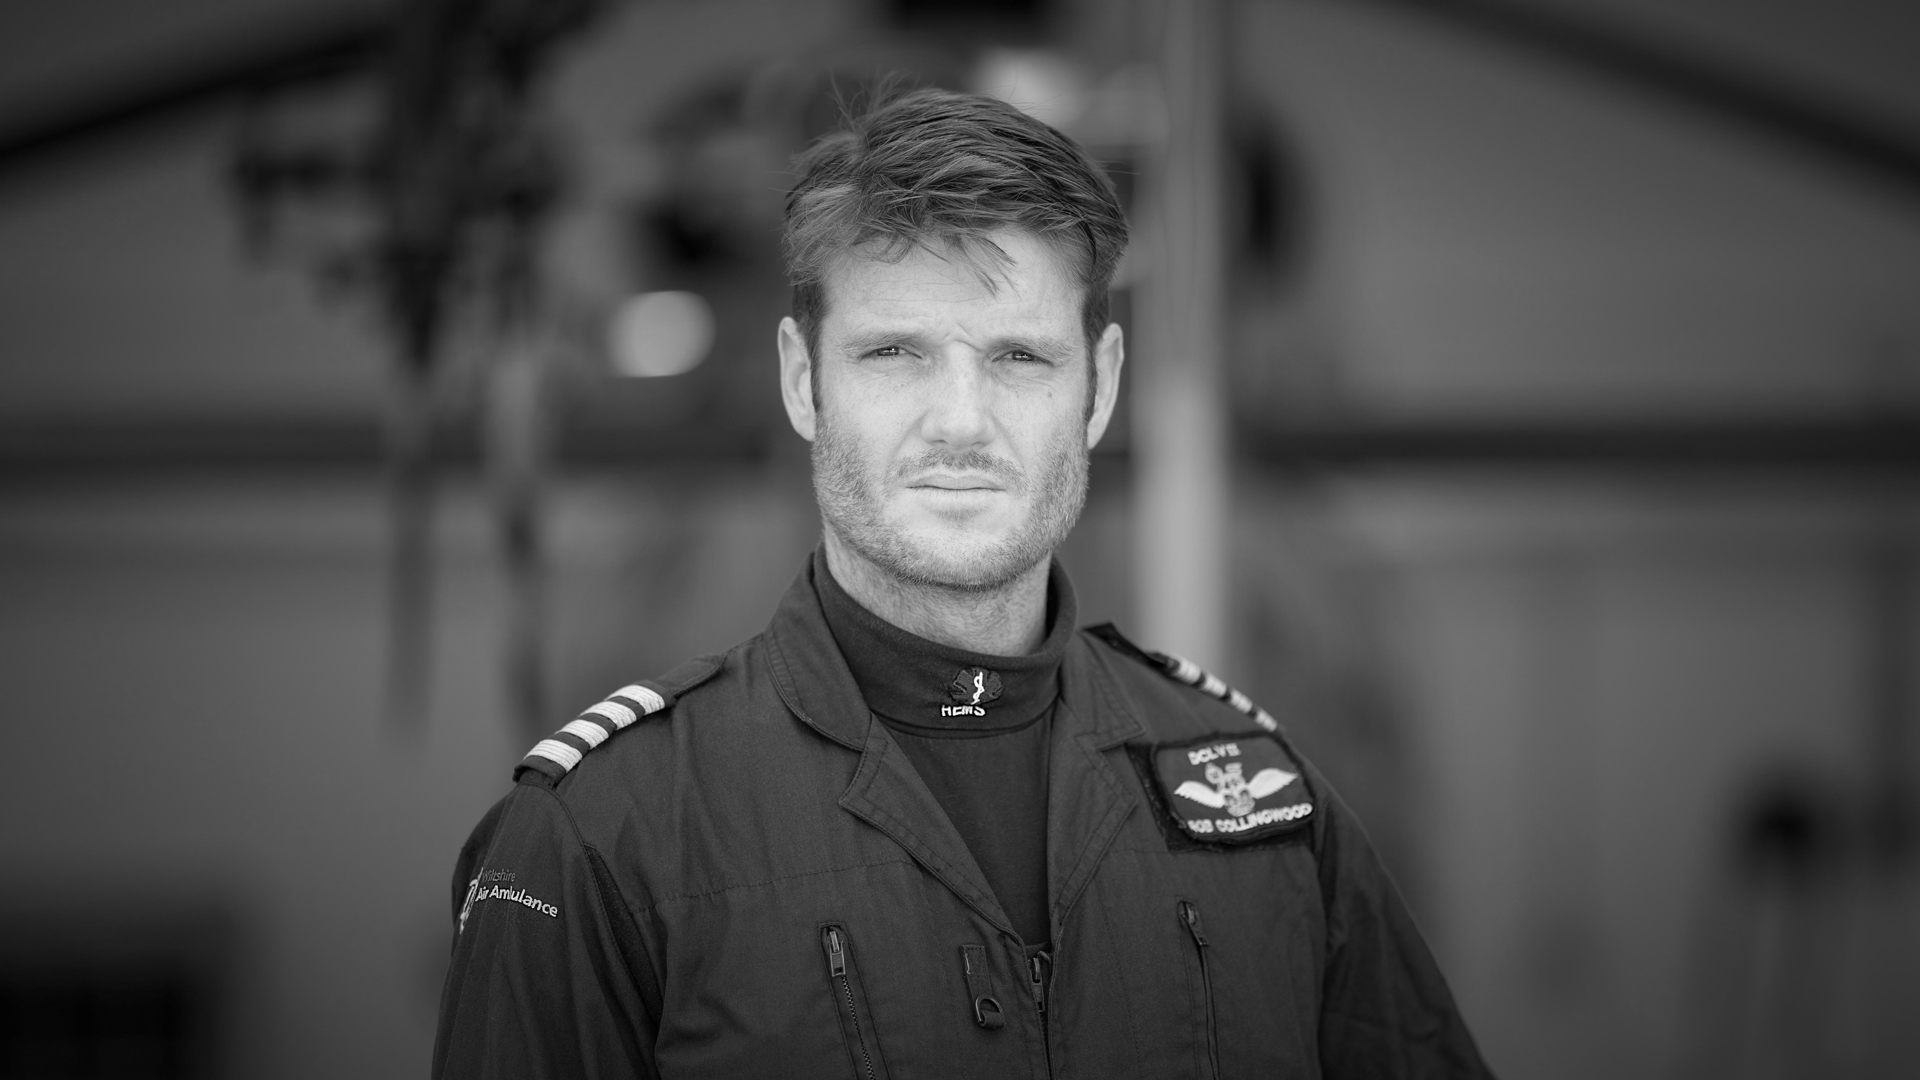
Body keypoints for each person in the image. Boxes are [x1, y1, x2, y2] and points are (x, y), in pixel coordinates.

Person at [433, 87, 1494, 1079]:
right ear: (801, 377)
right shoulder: (598, 833)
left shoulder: (1266, 801)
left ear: (1102, 382)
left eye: (1021, 357)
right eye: (893, 351)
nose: (959, 420)